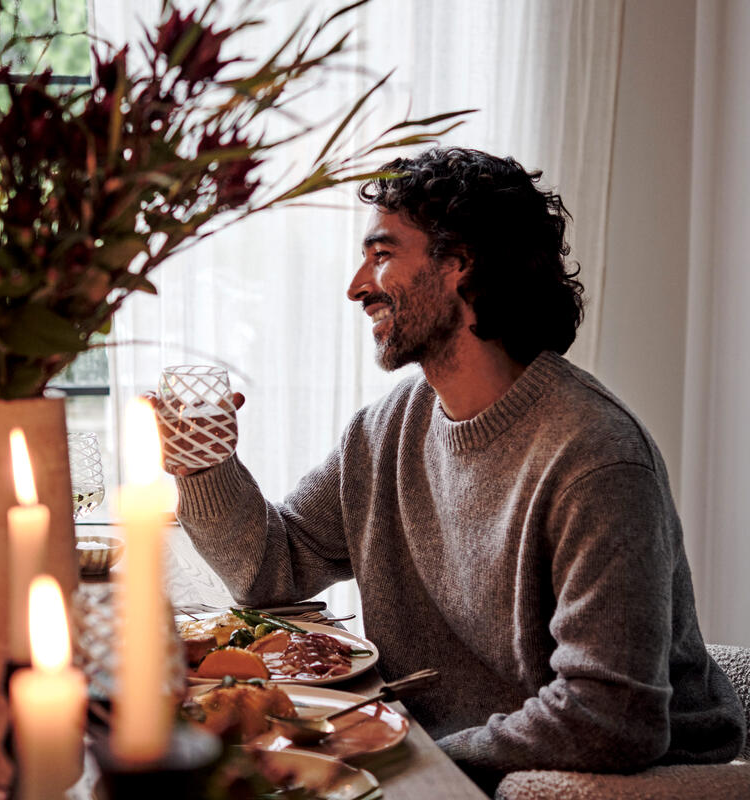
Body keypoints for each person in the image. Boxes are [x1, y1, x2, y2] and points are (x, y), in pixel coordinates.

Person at [167, 147, 746, 790]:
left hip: (596, 783)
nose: (357, 285)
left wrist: (416, 755)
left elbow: (611, 719)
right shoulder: (388, 429)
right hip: (442, 755)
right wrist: (205, 461)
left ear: (460, 265)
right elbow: (268, 568)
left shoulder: (595, 459)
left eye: (382, 255)